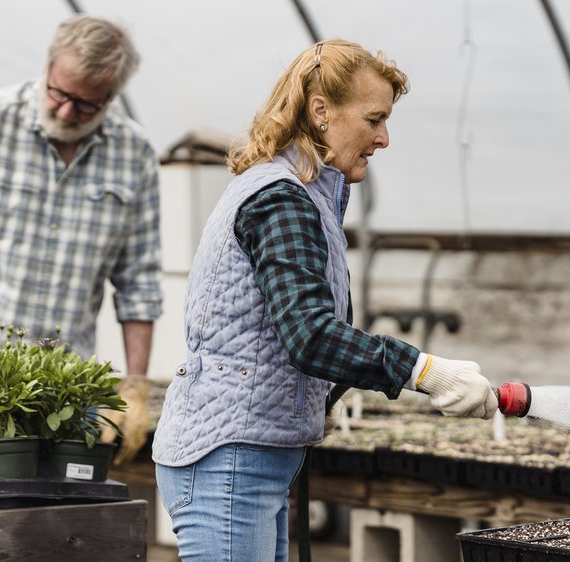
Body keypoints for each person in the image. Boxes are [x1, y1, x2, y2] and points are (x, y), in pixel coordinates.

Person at [152, 39, 499, 561]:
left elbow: (282, 329)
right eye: (374, 119)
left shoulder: (307, 194)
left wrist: (318, 398)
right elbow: (309, 335)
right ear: (321, 112)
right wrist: (425, 372)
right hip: (228, 460)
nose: (384, 138)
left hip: (250, 457)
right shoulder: (281, 200)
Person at [0, 15, 160, 464]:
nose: (66, 112)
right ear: (47, 66)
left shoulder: (133, 153)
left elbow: (138, 282)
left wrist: (134, 389)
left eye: (86, 105)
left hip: (67, 384)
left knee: (60, 523)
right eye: (59, 93)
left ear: (111, 97)